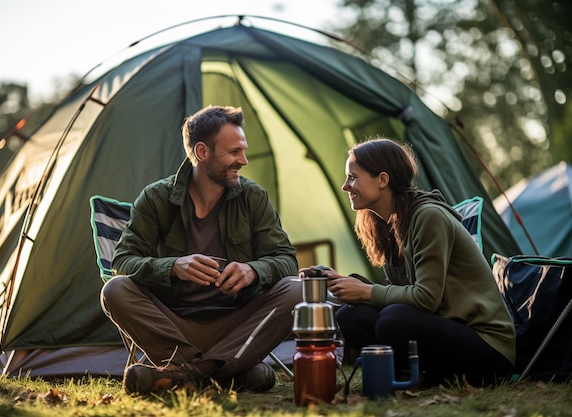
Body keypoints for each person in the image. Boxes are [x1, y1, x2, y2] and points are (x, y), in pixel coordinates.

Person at [100, 105, 300, 395]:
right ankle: (230, 372)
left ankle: (190, 373)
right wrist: (172, 266)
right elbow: (122, 262)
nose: (243, 161)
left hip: (236, 323)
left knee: (297, 289)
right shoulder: (156, 198)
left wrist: (252, 270)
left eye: (243, 151)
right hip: (173, 325)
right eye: (233, 152)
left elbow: (286, 261)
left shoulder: (253, 197)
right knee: (114, 290)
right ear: (202, 152)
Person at [319, 137, 515, 386]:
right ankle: (416, 374)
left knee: (394, 319)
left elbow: (426, 298)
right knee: (351, 316)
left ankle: (430, 373)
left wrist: (366, 291)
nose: (345, 186)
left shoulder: (427, 216)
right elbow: (400, 290)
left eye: (353, 177)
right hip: (445, 328)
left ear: (382, 179)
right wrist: (343, 283)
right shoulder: (390, 223)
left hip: (487, 347)